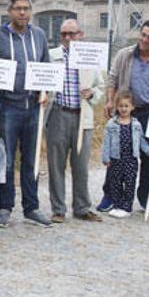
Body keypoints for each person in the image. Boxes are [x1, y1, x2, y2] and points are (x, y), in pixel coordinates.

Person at [0, 0, 52, 228]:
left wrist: (45, 90)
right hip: (8, 107)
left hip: (34, 107)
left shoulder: (40, 35)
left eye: (26, 8)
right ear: (9, 11)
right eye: (18, 9)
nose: (22, 13)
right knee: (6, 160)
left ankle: (32, 207)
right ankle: (5, 207)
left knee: (31, 159)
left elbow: (46, 67)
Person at [102, 20, 149, 215]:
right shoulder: (124, 55)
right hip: (126, 110)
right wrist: (110, 101)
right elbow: (112, 79)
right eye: (143, 35)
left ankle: (145, 197)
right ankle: (110, 194)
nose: (145, 40)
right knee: (118, 154)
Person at [45, 19, 104, 223]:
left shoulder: (90, 58)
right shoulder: (51, 56)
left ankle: (82, 207)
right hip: (58, 114)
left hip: (82, 117)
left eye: (72, 33)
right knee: (56, 164)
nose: (67, 38)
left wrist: (92, 93)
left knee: (81, 165)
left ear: (81, 34)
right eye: (63, 34)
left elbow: (101, 87)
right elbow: (41, 80)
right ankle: (58, 209)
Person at [101, 91, 149, 218]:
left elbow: (142, 143)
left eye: (126, 106)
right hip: (116, 159)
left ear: (132, 107)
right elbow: (106, 142)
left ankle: (127, 207)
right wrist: (105, 158)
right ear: (117, 107)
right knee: (115, 183)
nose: (123, 109)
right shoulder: (111, 124)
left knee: (129, 183)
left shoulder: (136, 125)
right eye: (121, 106)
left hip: (130, 160)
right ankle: (117, 205)